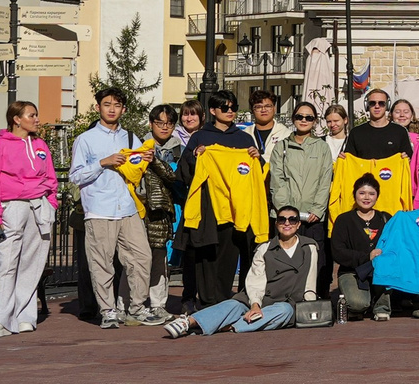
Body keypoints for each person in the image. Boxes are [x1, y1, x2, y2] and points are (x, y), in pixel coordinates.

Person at [164, 207, 317, 336]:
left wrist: (310, 306)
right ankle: (187, 322)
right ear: (276, 224)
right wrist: (255, 304)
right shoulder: (265, 248)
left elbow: (310, 280)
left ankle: (231, 326)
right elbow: (255, 280)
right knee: (233, 305)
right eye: (282, 220)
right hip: (260, 297)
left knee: (283, 311)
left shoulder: (309, 247)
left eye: (292, 220)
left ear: (298, 225)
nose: (287, 223)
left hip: (286, 302)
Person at [0, 100, 60, 337]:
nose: (36, 119)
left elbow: (51, 176)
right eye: (31, 115)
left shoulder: (39, 144)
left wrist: (52, 202)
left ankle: (25, 316)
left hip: (39, 206)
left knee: (32, 263)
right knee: (7, 263)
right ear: (17, 119)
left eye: (36, 115)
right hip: (12, 206)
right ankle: (0, 320)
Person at [70, 88, 147, 329]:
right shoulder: (86, 139)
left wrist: (146, 160)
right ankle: (108, 310)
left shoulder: (132, 138)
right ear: (98, 108)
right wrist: (103, 163)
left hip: (128, 206)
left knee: (142, 258)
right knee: (102, 263)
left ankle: (136, 308)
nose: (112, 109)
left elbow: (139, 168)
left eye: (117, 105)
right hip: (99, 208)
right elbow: (76, 176)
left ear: (124, 109)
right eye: (107, 104)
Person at [265, 101, 331, 292]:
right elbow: (277, 181)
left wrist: (318, 210)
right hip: (287, 217)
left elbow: (324, 181)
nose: (304, 120)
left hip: (313, 217)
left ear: (315, 121)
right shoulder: (282, 147)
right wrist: (287, 212)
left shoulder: (322, 147)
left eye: (309, 117)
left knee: (314, 260)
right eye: (300, 116)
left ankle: (313, 298)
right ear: (293, 119)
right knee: (284, 258)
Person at [135, 105, 185, 323]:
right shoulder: (138, 146)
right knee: (134, 259)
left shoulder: (180, 150)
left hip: (164, 211)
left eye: (169, 123)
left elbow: (179, 181)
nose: (164, 127)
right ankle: (132, 304)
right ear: (151, 123)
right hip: (139, 209)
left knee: (159, 259)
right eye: (160, 122)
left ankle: (158, 304)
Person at [329, 176, 387, 319]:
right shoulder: (344, 220)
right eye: (362, 193)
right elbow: (338, 252)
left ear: (377, 196)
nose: (366, 197)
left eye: (371, 194)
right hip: (352, 271)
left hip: (380, 272)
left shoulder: (385, 218)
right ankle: (356, 305)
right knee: (357, 304)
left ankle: (381, 305)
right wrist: (366, 257)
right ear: (355, 194)